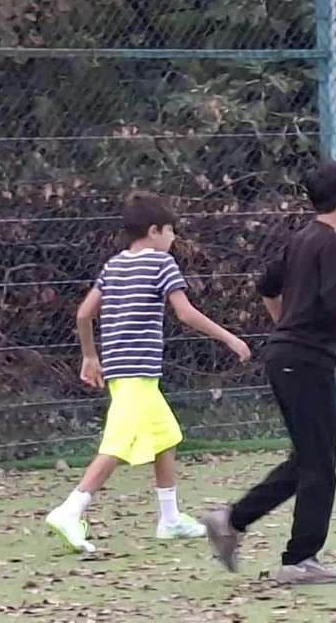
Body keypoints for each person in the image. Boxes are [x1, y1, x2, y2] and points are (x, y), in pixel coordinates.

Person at [203, 160, 336, 586]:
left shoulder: (301, 239)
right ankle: (299, 559)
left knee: (308, 459)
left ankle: (231, 520)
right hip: (304, 362)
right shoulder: (332, 244)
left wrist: (286, 325)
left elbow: (267, 286)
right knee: (320, 465)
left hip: (288, 358)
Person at [45, 193, 251, 553]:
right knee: (117, 445)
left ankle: (170, 520)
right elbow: (185, 313)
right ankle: (70, 510)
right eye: (170, 230)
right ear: (154, 231)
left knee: (165, 437)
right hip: (138, 372)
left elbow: (83, 314)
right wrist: (229, 337)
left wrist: (90, 356)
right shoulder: (162, 263)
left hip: (123, 371)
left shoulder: (113, 265)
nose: (174, 237)